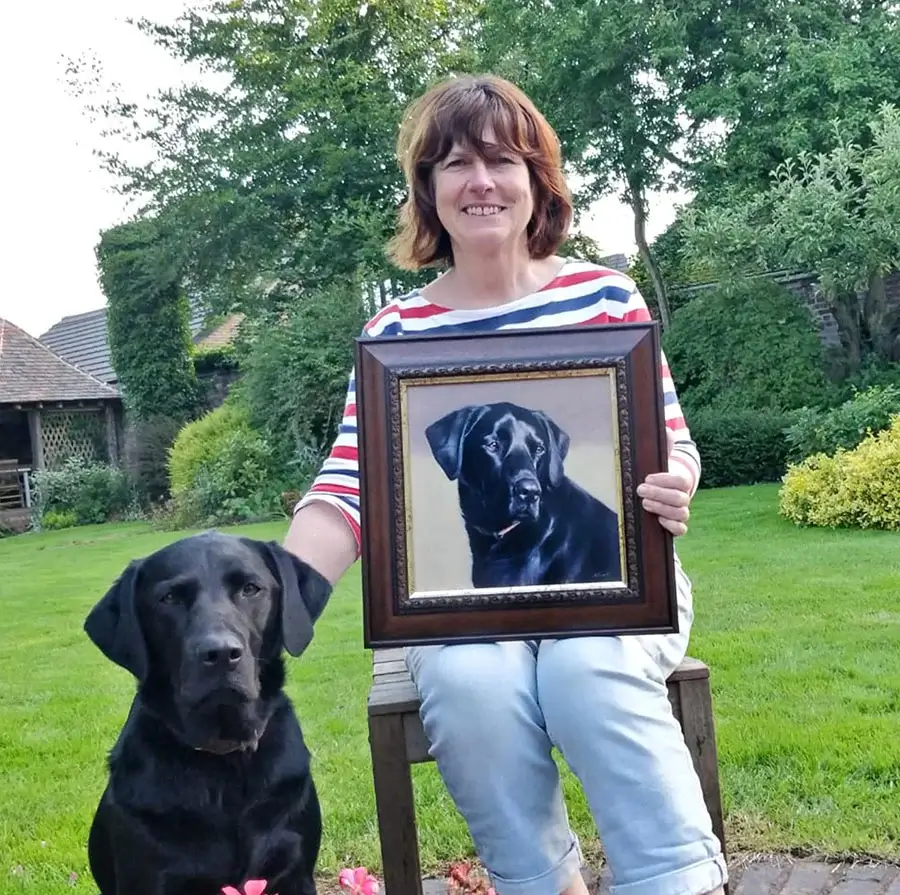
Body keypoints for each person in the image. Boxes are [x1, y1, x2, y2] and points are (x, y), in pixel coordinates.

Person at [284, 74, 728, 895]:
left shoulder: (604, 296)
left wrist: (676, 484)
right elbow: (349, 487)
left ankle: (673, 882)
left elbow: (672, 445)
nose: (480, 180)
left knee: (585, 671)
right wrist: (274, 595)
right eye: (455, 163)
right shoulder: (395, 334)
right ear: (429, 190)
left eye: (501, 159)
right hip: (466, 608)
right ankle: (543, 884)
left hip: (612, 592)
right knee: (466, 683)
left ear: (537, 183)